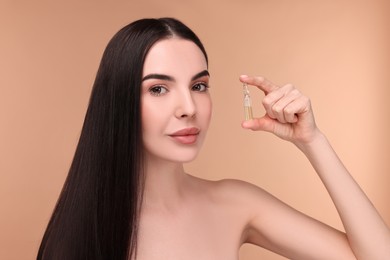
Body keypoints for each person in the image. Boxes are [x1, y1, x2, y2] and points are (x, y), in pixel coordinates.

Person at [37, 17, 390, 260]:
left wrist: (313, 141)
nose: (188, 107)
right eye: (158, 88)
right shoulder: (86, 225)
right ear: (119, 100)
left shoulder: (236, 203)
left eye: (199, 86)